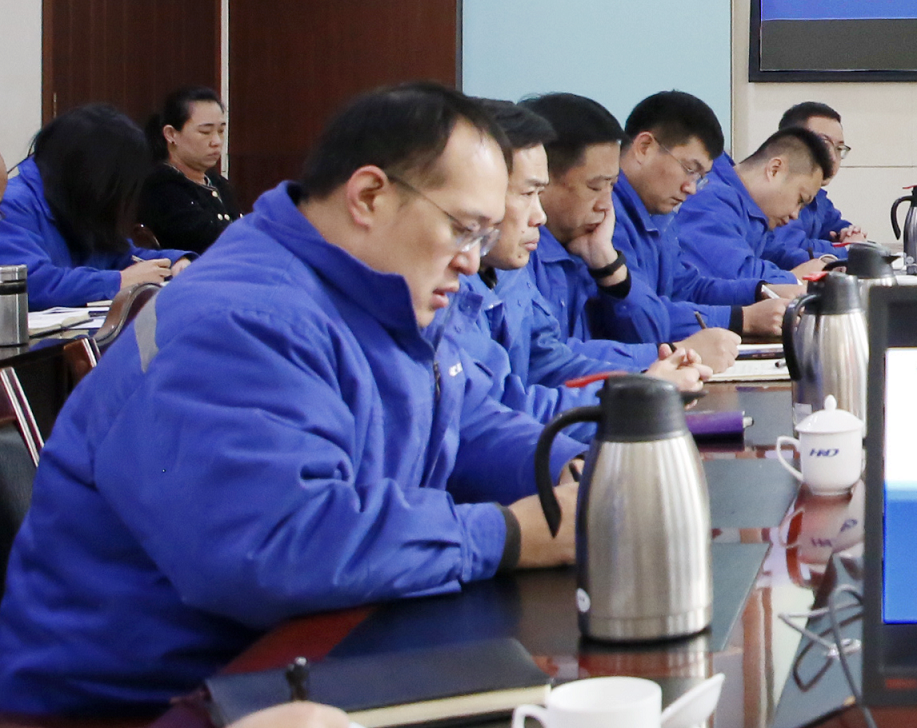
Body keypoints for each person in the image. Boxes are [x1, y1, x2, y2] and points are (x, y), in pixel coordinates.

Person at [0, 83, 584, 715]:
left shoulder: (379, 289)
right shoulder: (243, 319)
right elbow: (282, 546)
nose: (471, 264)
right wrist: (509, 534)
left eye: (483, 237)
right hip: (139, 702)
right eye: (462, 230)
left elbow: (458, 420)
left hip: (290, 660)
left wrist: (579, 469)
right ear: (369, 196)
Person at [435, 100, 705, 433]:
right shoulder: (460, 280)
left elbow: (548, 361)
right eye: (528, 193)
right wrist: (638, 394)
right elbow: (493, 414)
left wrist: (642, 383)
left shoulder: (511, 266)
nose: (539, 215)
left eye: (612, 186)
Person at [521, 94, 739, 370]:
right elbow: (545, 360)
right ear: (542, 182)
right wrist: (676, 353)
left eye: (612, 185)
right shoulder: (518, 255)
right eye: (595, 187)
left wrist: (609, 265)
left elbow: (650, 331)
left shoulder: (584, 242)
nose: (606, 204)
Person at [614, 91, 797, 336]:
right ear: (644, 147)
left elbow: (686, 287)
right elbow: (638, 317)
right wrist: (742, 319)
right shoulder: (605, 215)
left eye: (700, 178)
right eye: (689, 169)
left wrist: (760, 291)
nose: (691, 188)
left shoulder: (659, 215)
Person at [0, 104, 184, 310]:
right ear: (93, 176)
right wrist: (118, 281)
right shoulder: (10, 203)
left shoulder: (75, 203)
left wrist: (176, 262)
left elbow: (120, 255)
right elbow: (30, 284)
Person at [676, 128, 836, 287]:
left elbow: (777, 251)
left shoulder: (751, 213)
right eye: (800, 200)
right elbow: (732, 274)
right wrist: (793, 279)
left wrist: (827, 264)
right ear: (774, 170)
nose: (795, 214)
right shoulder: (711, 199)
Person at [139, 86, 240, 254]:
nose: (216, 141)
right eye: (205, 132)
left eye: (221, 131)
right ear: (171, 134)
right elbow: (205, 238)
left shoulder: (219, 184)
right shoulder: (161, 187)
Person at [772, 101, 864, 259]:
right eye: (823, 144)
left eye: (839, 149)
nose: (832, 157)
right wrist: (847, 249)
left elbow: (834, 224)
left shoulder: (819, 197)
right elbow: (788, 248)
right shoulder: (776, 192)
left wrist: (848, 233)